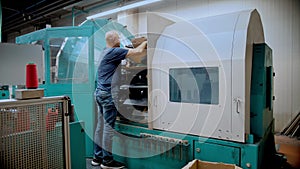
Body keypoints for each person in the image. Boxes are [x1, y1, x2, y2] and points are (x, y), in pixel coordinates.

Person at [92, 30, 147, 169]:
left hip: (99, 93)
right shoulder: (114, 52)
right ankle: (107, 161)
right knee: (108, 129)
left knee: (100, 126)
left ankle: (97, 158)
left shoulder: (105, 51)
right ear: (115, 40)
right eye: (119, 38)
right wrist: (147, 42)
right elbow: (139, 52)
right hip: (109, 94)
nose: (120, 39)